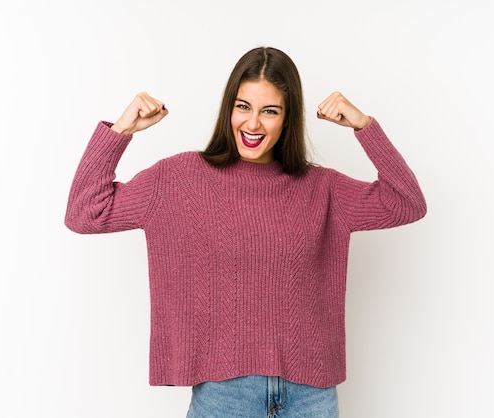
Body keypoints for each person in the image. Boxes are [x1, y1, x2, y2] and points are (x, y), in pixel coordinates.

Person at [65, 46, 427, 417]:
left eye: (269, 111)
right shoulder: (178, 179)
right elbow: (84, 213)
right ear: (229, 109)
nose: (253, 124)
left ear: (288, 119)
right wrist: (122, 130)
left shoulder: (323, 188)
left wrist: (364, 127)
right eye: (243, 107)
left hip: (311, 396)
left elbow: (407, 203)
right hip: (225, 396)